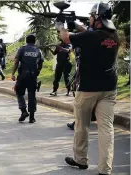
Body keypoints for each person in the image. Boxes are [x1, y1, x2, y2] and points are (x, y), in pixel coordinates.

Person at [56, 2, 119, 175]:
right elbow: (90, 33)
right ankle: (105, 170)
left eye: (91, 16)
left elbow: (66, 38)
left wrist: (61, 25)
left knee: (82, 125)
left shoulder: (91, 37)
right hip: (109, 88)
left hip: (88, 88)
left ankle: (80, 160)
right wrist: (75, 24)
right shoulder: (114, 36)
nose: (89, 18)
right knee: (106, 128)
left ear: (97, 18)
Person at [11, 34, 44, 123]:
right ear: (34, 41)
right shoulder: (38, 51)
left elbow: (16, 62)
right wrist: (38, 71)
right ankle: (32, 117)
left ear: (26, 41)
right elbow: (40, 63)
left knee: (19, 92)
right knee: (32, 95)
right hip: (33, 76)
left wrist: (13, 73)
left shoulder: (22, 49)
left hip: (22, 75)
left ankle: (23, 111)